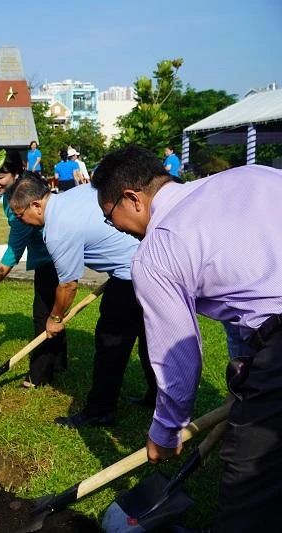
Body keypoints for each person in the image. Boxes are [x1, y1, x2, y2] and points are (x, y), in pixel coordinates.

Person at [91, 145, 282, 532]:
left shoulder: (158, 249)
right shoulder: (253, 176)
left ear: (133, 199)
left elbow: (180, 356)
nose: (119, 230)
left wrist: (164, 431)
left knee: (249, 487)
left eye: (111, 219)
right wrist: (244, 374)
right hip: (269, 344)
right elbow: (242, 293)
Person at [9, 175, 157, 428]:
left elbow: (68, 285)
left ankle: (100, 411)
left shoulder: (56, 231)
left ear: (35, 205)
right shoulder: (76, 194)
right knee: (152, 339)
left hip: (132, 275)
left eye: (20, 215)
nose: (20, 221)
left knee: (110, 344)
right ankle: (157, 397)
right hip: (152, 262)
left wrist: (54, 318)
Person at [0, 151, 67, 386]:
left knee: (43, 315)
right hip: (48, 256)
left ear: (16, 173)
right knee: (52, 306)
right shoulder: (15, 192)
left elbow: (14, 251)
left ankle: (39, 375)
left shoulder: (22, 200)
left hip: (53, 257)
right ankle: (59, 362)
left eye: (1, 175)